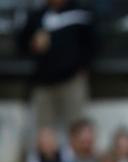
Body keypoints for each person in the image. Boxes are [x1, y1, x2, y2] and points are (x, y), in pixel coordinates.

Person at [17, 0, 95, 133]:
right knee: (44, 130)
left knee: (77, 128)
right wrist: (33, 44)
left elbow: (93, 43)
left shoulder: (80, 12)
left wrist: (84, 66)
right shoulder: (37, 15)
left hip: (72, 80)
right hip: (44, 83)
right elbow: (20, 44)